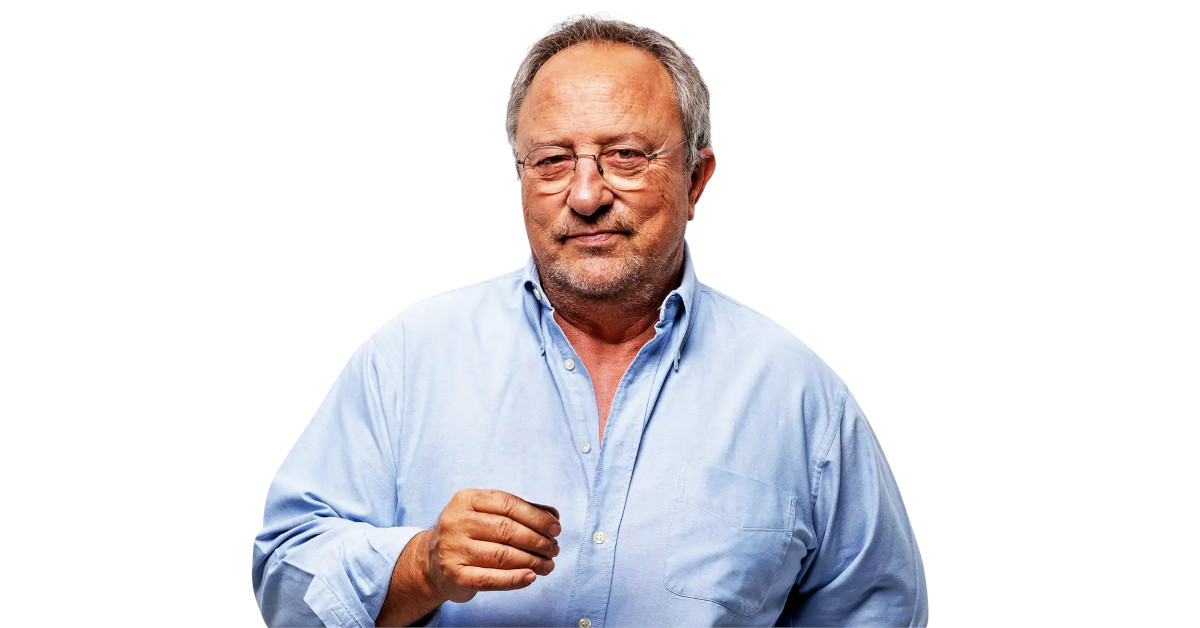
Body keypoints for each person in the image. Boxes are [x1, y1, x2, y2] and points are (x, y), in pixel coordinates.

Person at [253, 16, 927, 627]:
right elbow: (286, 576)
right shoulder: (408, 360)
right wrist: (419, 564)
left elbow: (878, 615)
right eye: (552, 161)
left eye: (626, 155)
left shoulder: (799, 398)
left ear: (696, 180)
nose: (584, 195)